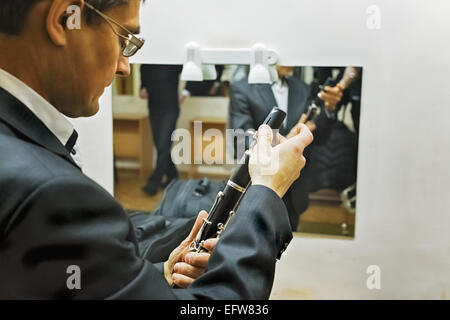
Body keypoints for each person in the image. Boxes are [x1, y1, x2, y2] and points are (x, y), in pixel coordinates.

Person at [0, 0, 313, 299]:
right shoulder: (51, 193)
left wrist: (158, 274)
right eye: (124, 36)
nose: (125, 67)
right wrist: (266, 191)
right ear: (63, 18)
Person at [229, 65, 344, 230]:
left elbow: (319, 138)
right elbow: (240, 142)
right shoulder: (242, 88)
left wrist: (330, 108)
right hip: (259, 187)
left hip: (294, 189)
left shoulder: (302, 88)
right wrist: (284, 142)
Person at [140, 64, 182, 196]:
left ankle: (154, 183)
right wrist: (142, 89)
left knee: (163, 145)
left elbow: (187, 68)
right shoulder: (145, 66)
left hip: (170, 109)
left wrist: (186, 92)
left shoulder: (172, 63)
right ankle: (173, 177)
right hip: (154, 109)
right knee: (160, 146)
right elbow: (143, 86)